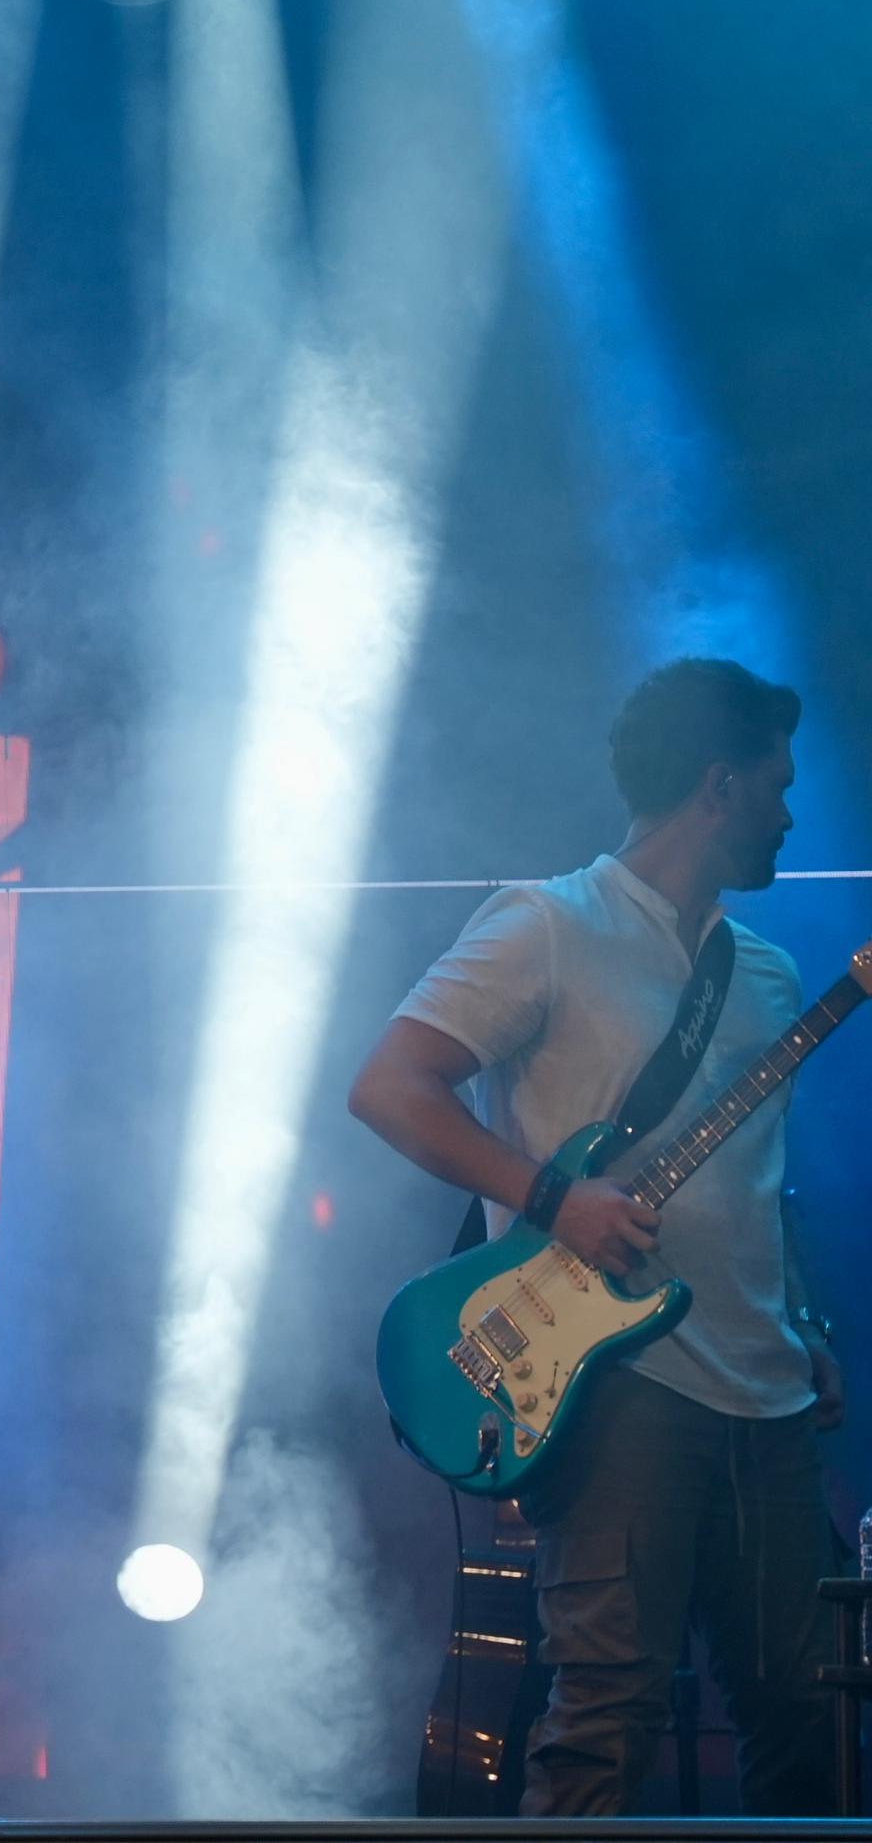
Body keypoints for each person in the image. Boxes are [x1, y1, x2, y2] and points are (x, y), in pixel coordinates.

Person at [346, 656, 848, 1814]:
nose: (788, 811)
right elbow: (389, 1085)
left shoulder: (767, 972)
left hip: (766, 1396)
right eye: (776, 784)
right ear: (718, 784)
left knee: (807, 1711)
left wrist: (804, 1318)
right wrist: (551, 1198)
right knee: (605, 1713)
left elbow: (759, 1182)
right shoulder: (546, 922)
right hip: (615, 1384)